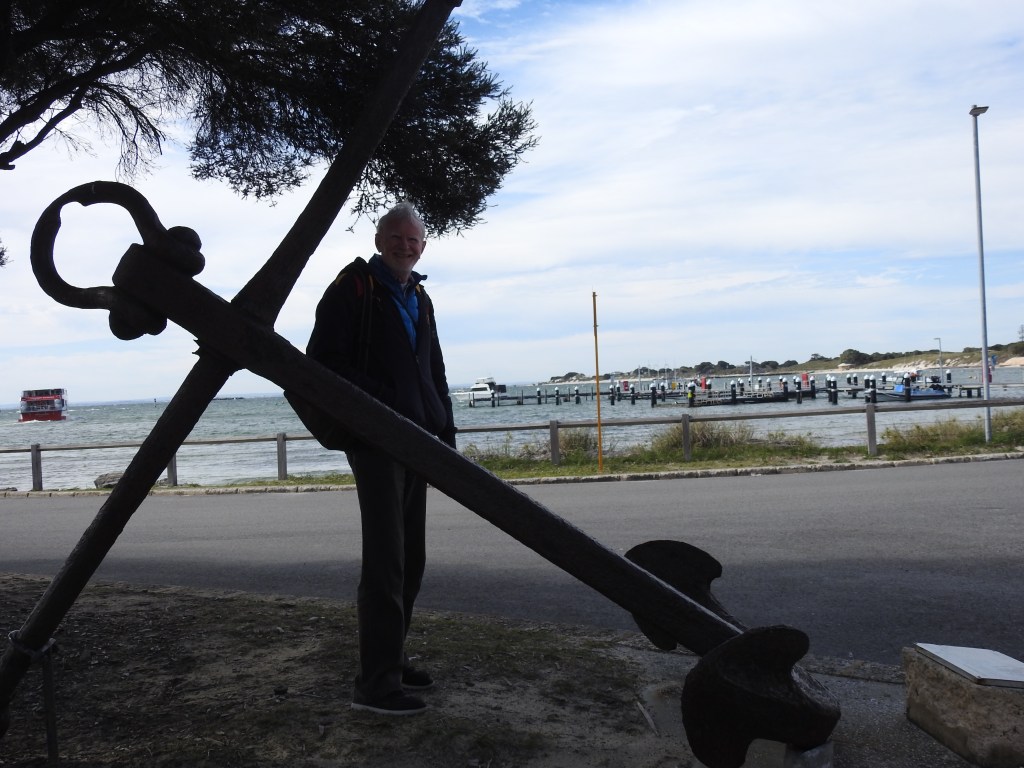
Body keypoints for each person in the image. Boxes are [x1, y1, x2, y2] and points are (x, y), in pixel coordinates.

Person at [307, 201, 456, 716]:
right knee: (386, 563)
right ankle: (375, 686)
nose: (404, 246)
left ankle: (393, 658)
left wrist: (445, 433)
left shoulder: (421, 297)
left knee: (411, 559)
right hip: (375, 442)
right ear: (378, 241)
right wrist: (384, 407)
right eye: (396, 237)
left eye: (413, 240)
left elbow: (434, 369)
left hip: (418, 440)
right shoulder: (353, 288)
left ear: (423, 247)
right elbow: (324, 363)